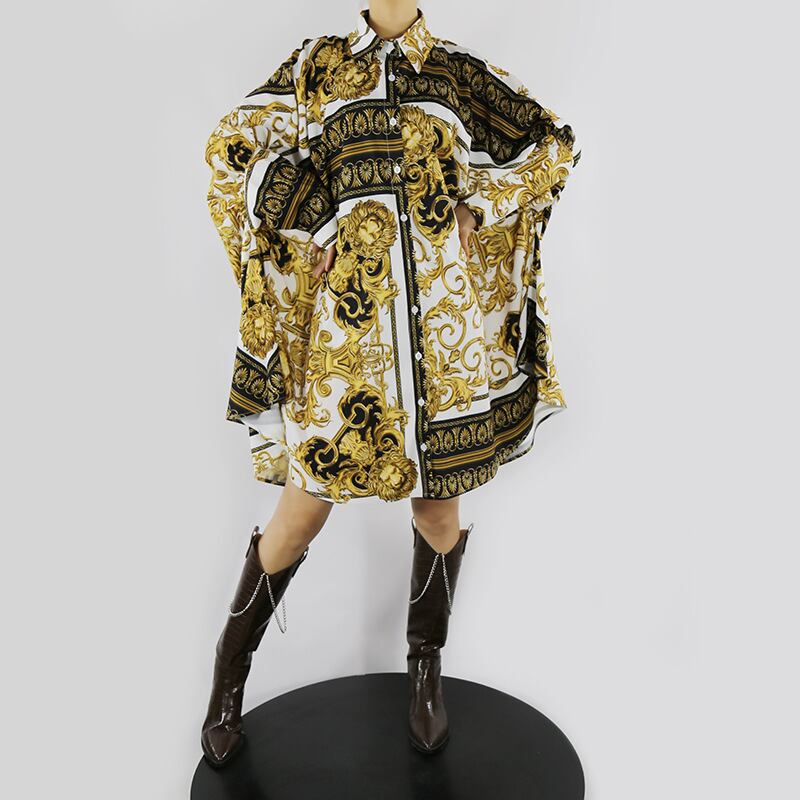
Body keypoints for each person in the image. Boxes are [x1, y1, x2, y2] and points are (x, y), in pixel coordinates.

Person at [201, 0, 580, 768]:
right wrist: (313, 215)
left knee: (439, 512)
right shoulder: (318, 66)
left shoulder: (459, 74)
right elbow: (230, 148)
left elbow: (553, 144)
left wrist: (480, 204)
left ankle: (424, 669)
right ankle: (227, 681)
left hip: (445, 348)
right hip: (350, 343)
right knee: (300, 515)